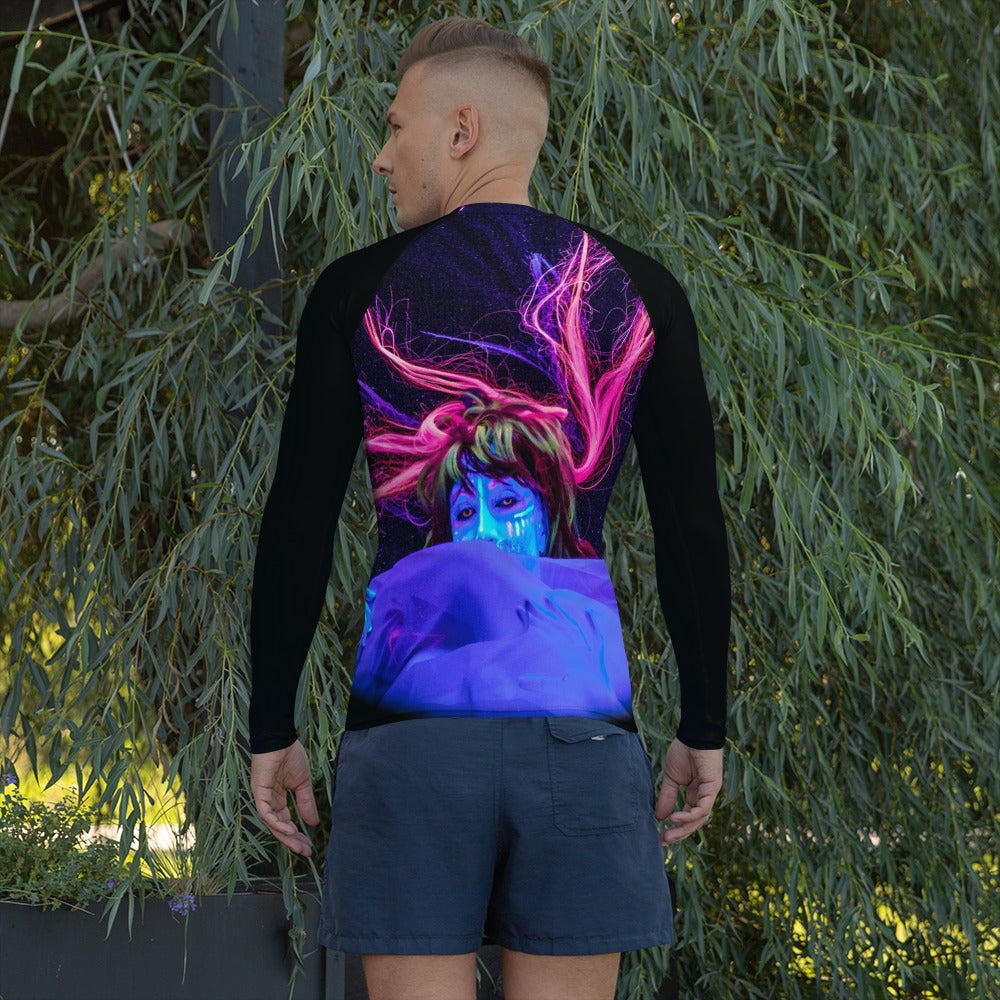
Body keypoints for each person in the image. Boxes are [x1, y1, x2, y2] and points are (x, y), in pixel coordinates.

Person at [248, 16, 730, 1000]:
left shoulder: (357, 291)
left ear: (461, 129)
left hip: (409, 734)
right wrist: (703, 722)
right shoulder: (639, 292)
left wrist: (271, 724)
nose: (382, 157)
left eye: (397, 127)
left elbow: (298, 520)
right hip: (582, 734)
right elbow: (691, 527)